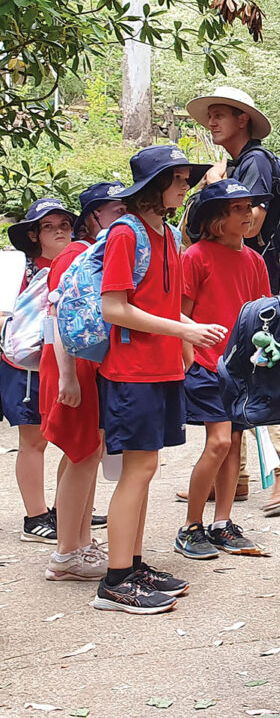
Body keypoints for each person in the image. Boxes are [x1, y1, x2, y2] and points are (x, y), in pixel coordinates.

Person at [92, 145, 227, 615]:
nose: (186, 187)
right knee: (138, 470)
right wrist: (185, 331)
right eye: (179, 179)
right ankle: (115, 580)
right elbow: (114, 307)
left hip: (162, 368)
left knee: (145, 469)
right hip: (132, 372)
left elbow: (164, 301)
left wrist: (183, 345)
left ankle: (132, 563)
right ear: (156, 185)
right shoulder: (125, 234)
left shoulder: (167, 234)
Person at [185, 86, 280, 515]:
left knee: (252, 379)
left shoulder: (250, 163)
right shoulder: (241, 162)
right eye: (209, 116)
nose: (211, 123)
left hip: (252, 286)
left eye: (219, 116)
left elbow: (250, 229)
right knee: (229, 422)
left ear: (243, 120)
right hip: (232, 300)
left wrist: (215, 186)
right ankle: (231, 487)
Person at [174, 179, 273, 560]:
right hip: (204, 364)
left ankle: (222, 523)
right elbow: (180, 312)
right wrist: (188, 359)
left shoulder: (253, 260)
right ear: (215, 219)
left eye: (249, 206)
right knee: (218, 442)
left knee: (233, 443)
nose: (248, 213)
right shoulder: (196, 256)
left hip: (239, 368)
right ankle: (190, 526)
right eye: (238, 208)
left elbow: (262, 313)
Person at [40, 183, 125, 580]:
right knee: (83, 454)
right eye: (115, 209)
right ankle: (66, 553)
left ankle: (78, 541)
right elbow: (58, 316)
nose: (125, 214)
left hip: (78, 365)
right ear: (95, 216)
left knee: (82, 453)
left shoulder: (89, 252)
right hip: (73, 365)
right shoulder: (78, 254)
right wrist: (70, 377)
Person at [3, 199, 75, 543]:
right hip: (24, 366)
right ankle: (35, 517)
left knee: (72, 437)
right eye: (50, 226)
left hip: (63, 361)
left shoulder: (76, 262)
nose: (60, 230)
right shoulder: (19, 270)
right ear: (34, 234)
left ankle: (68, 508)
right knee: (34, 440)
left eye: (65, 224)